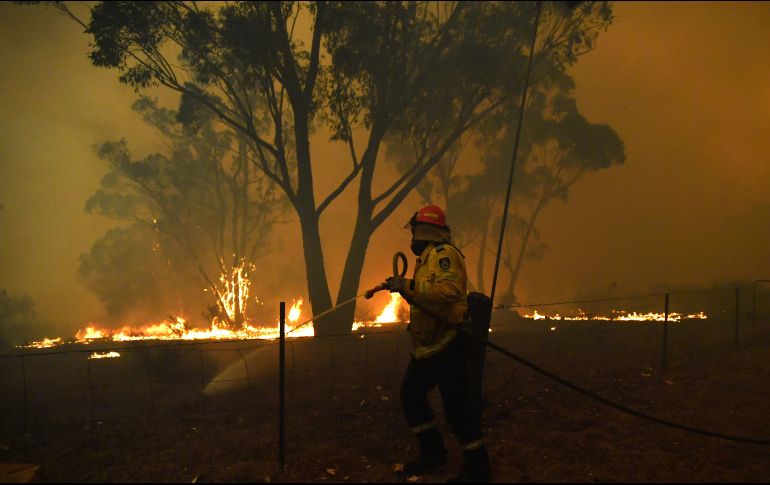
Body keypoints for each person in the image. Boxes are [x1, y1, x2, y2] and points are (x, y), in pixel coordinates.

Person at [385, 204, 491, 482]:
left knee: (457, 410)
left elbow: (448, 290)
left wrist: (408, 287)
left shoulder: (444, 255)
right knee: (411, 394)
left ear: (425, 230)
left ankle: (478, 470)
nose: (413, 238)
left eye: (415, 231)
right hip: (429, 346)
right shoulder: (429, 257)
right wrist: (403, 284)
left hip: (449, 342)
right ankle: (433, 454)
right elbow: (428, 290)